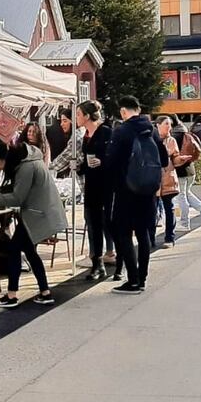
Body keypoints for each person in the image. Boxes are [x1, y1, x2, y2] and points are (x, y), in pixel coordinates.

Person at [0, 142, 67, 307]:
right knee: (30, 252)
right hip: (39, 214)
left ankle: (11, 295)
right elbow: (17, 189)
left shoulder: (26, 167)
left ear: (4, 159)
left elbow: (17, 198)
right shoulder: (30, 161)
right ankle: (45, 292)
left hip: (37, 215)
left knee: (14, 248)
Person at [106, 96, 166, 294]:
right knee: (143, 233)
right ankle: (142, 277)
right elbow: (164, 160)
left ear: (123, 111)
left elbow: (111, 161)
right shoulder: (152, 130)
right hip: (148, 190)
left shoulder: (122, 131)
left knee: (122, 233)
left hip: (126, 190)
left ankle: (132, 279)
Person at [76, 100, 115, 281]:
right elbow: (86, 161)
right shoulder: (86, 135)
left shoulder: (106, 132)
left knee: (108, 222)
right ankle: (97, 263)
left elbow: (116, 157)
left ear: (87, 116)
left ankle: (118, 260)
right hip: (90, 185)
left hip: (106, 185)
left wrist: (102, 162)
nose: (76, 117)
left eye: (78, 114)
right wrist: (79, 167)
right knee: (93, 224)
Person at [171, 117, 201, 229]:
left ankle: (185, 223)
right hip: (191, 169)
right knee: (187, 193)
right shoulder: (186, 133)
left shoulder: (173, 136)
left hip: (180, 171)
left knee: (182, 196)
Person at [156, 116, 179, 249]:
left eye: (170, 124)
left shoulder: (171, 140)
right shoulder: (152, 139)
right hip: (153, 179)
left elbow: (175, 158)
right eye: (166, 124)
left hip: (167, 178)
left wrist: (181, 159)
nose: (169, 127)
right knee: (151, 209)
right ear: (158, 125)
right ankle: (150, 237)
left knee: (169, 208)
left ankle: (170, 237)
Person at [46, 108, 73, 176]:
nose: (61, 124)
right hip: (63, 170)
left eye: (65, 121)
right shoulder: (69, 135)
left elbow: (65, 157)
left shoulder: (77, 136)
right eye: (61, 121)